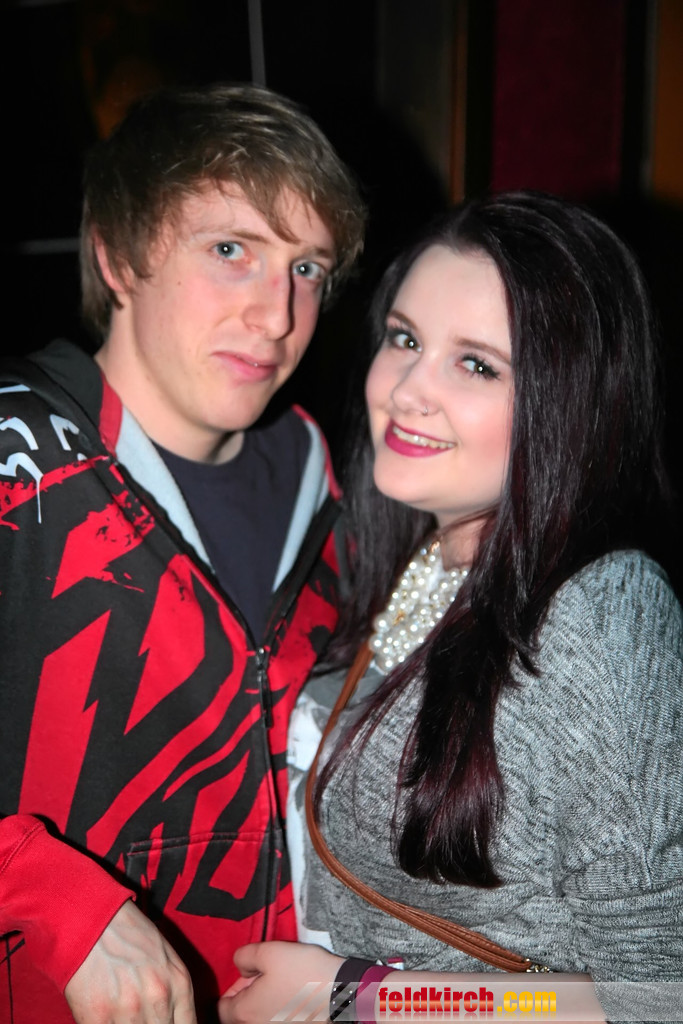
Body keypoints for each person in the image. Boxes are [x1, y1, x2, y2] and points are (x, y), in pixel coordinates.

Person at [217, 191, 683, 1024]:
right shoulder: (410, 559)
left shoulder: (603, 610)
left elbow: (659, 994)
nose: (406, 391)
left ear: (567, 400)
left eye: (476, 365)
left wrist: (361, 1000)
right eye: (404, 339)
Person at [0, 83, 365, 1024]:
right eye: (231, 251)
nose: (277, 316)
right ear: (119, 256)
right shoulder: (16, 459)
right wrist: (53, 902)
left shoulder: (326, 482)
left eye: (307, 268)